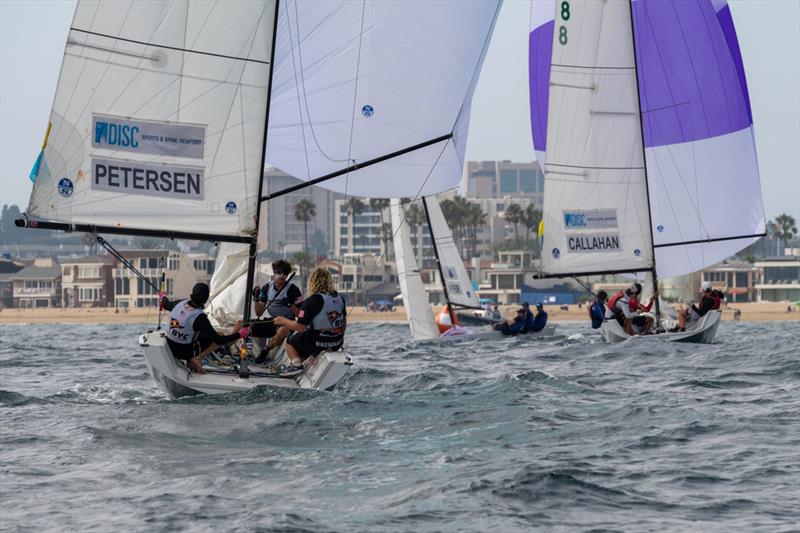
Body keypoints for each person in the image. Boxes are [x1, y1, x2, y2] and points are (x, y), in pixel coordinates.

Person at [162, 283, 248, 373]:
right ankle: (196, 359)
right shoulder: (200, 317)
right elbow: (218, 340)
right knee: (220, 334)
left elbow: (165, 304)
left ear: (192, 293)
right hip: (185, 354)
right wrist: (239, 334)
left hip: (169, 345)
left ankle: (194, 359)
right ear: (206, 299)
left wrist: (163, 296)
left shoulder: (179, 303)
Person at [274, 267, 346, 372]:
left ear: (312, 282)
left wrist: (283, 321)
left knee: (290, 342)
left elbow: (300, 327)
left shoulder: (311, 301)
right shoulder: (340, 298)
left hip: (316, 344)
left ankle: (296, 365)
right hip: (337, 343)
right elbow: (343, 324)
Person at [252, 260, 303, 351]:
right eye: (279, 272)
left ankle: (265, 351)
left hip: (287, 322)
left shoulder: (293, 290)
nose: (282, 276)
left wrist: (290, 305)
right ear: (274, 272)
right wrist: (256, 299)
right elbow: (259, 313)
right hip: (273, 321)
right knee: (241, 324)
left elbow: (301, 314)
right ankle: (226, 347)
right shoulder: (267, 288)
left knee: (282, 331)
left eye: (285, 274)